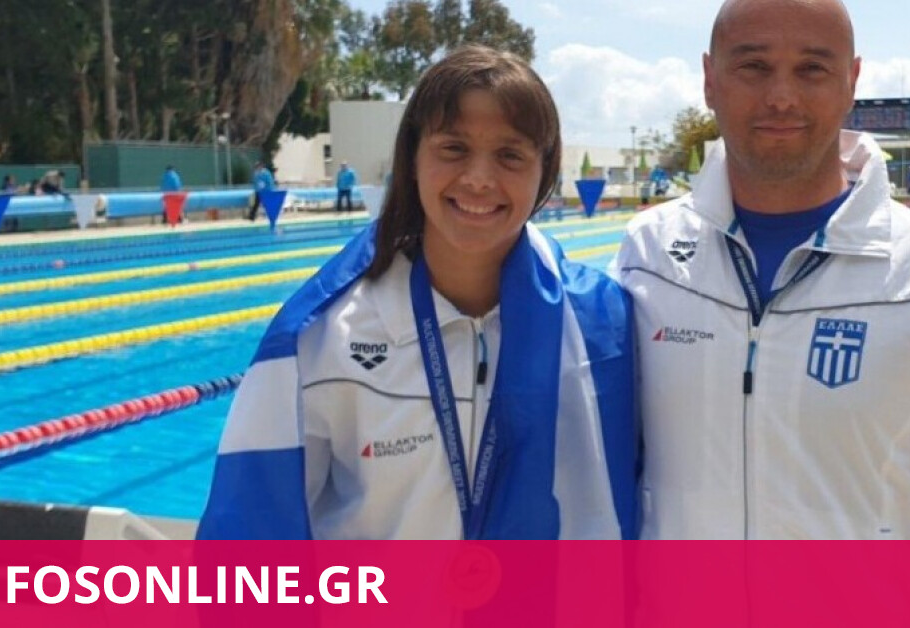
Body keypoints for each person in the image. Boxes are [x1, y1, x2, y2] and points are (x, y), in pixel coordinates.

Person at [612, 0, 910, 539]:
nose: (781, 97)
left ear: (851, 81)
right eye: (753, 66)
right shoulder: (647, 255)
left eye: (812, 68)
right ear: (710, 80)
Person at [198, 45, 638, 540]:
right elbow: (250, 532)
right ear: (412, 158)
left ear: (545, 172)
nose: (478, 179)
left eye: (510, 155)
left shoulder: (601, 326)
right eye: (453, 148)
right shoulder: (323, 336)